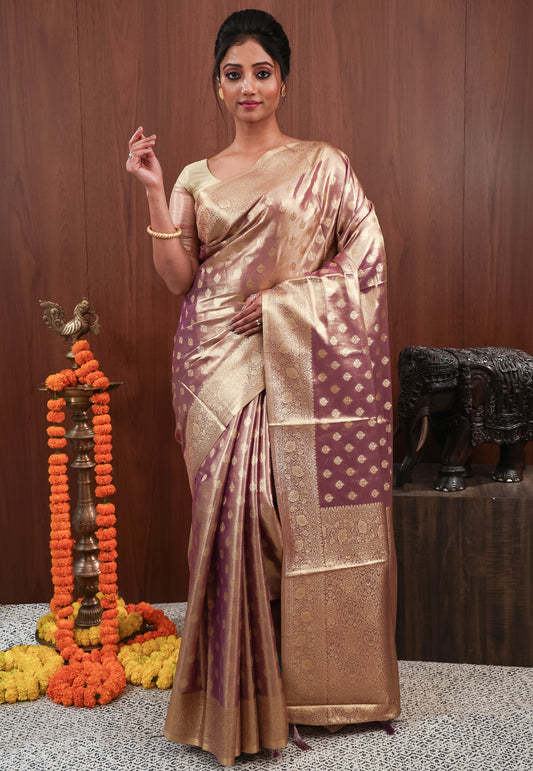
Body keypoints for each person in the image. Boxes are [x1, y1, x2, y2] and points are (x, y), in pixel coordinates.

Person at [127, 8, 400, 766]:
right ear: (216, 85)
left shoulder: (324, 163)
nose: (247, 85)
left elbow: (366, 260)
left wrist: (287, 304)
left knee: (283, 508)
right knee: (232, 508)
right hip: (210, 360)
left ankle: (299, 681)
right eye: (232, 73)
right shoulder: (191, 176)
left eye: (261, 71)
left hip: (293, 353)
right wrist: (153, 192)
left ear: (282, 80)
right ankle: (237, 694)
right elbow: (180, 278)